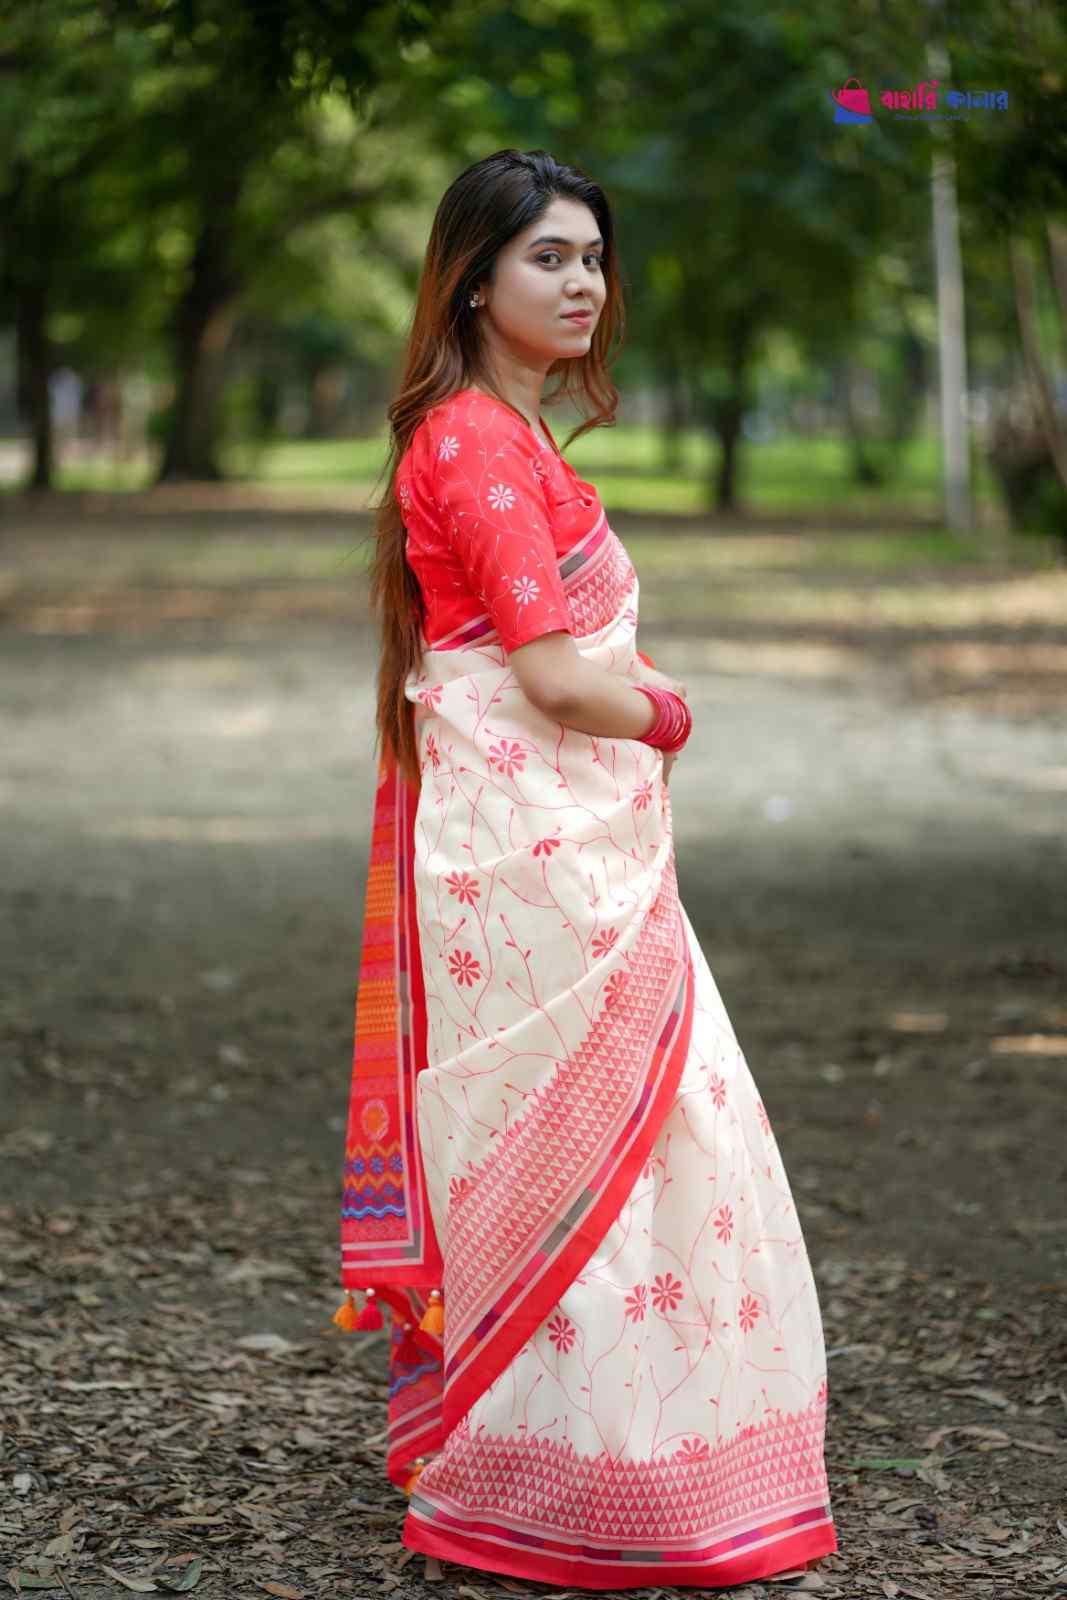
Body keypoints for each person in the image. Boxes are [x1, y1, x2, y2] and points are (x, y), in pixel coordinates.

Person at [335, 147, 838, 1589]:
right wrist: (670, 712)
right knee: (609, 1148)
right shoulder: (476, 444)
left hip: (548, 848)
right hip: (539, 867)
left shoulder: (496, 434)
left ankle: (611, 1456)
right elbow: (553, 678)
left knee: (630, 1143)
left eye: (594, 259)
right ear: (472, 280)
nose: (582, 284)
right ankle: (586, 1481)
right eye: (547, 257)